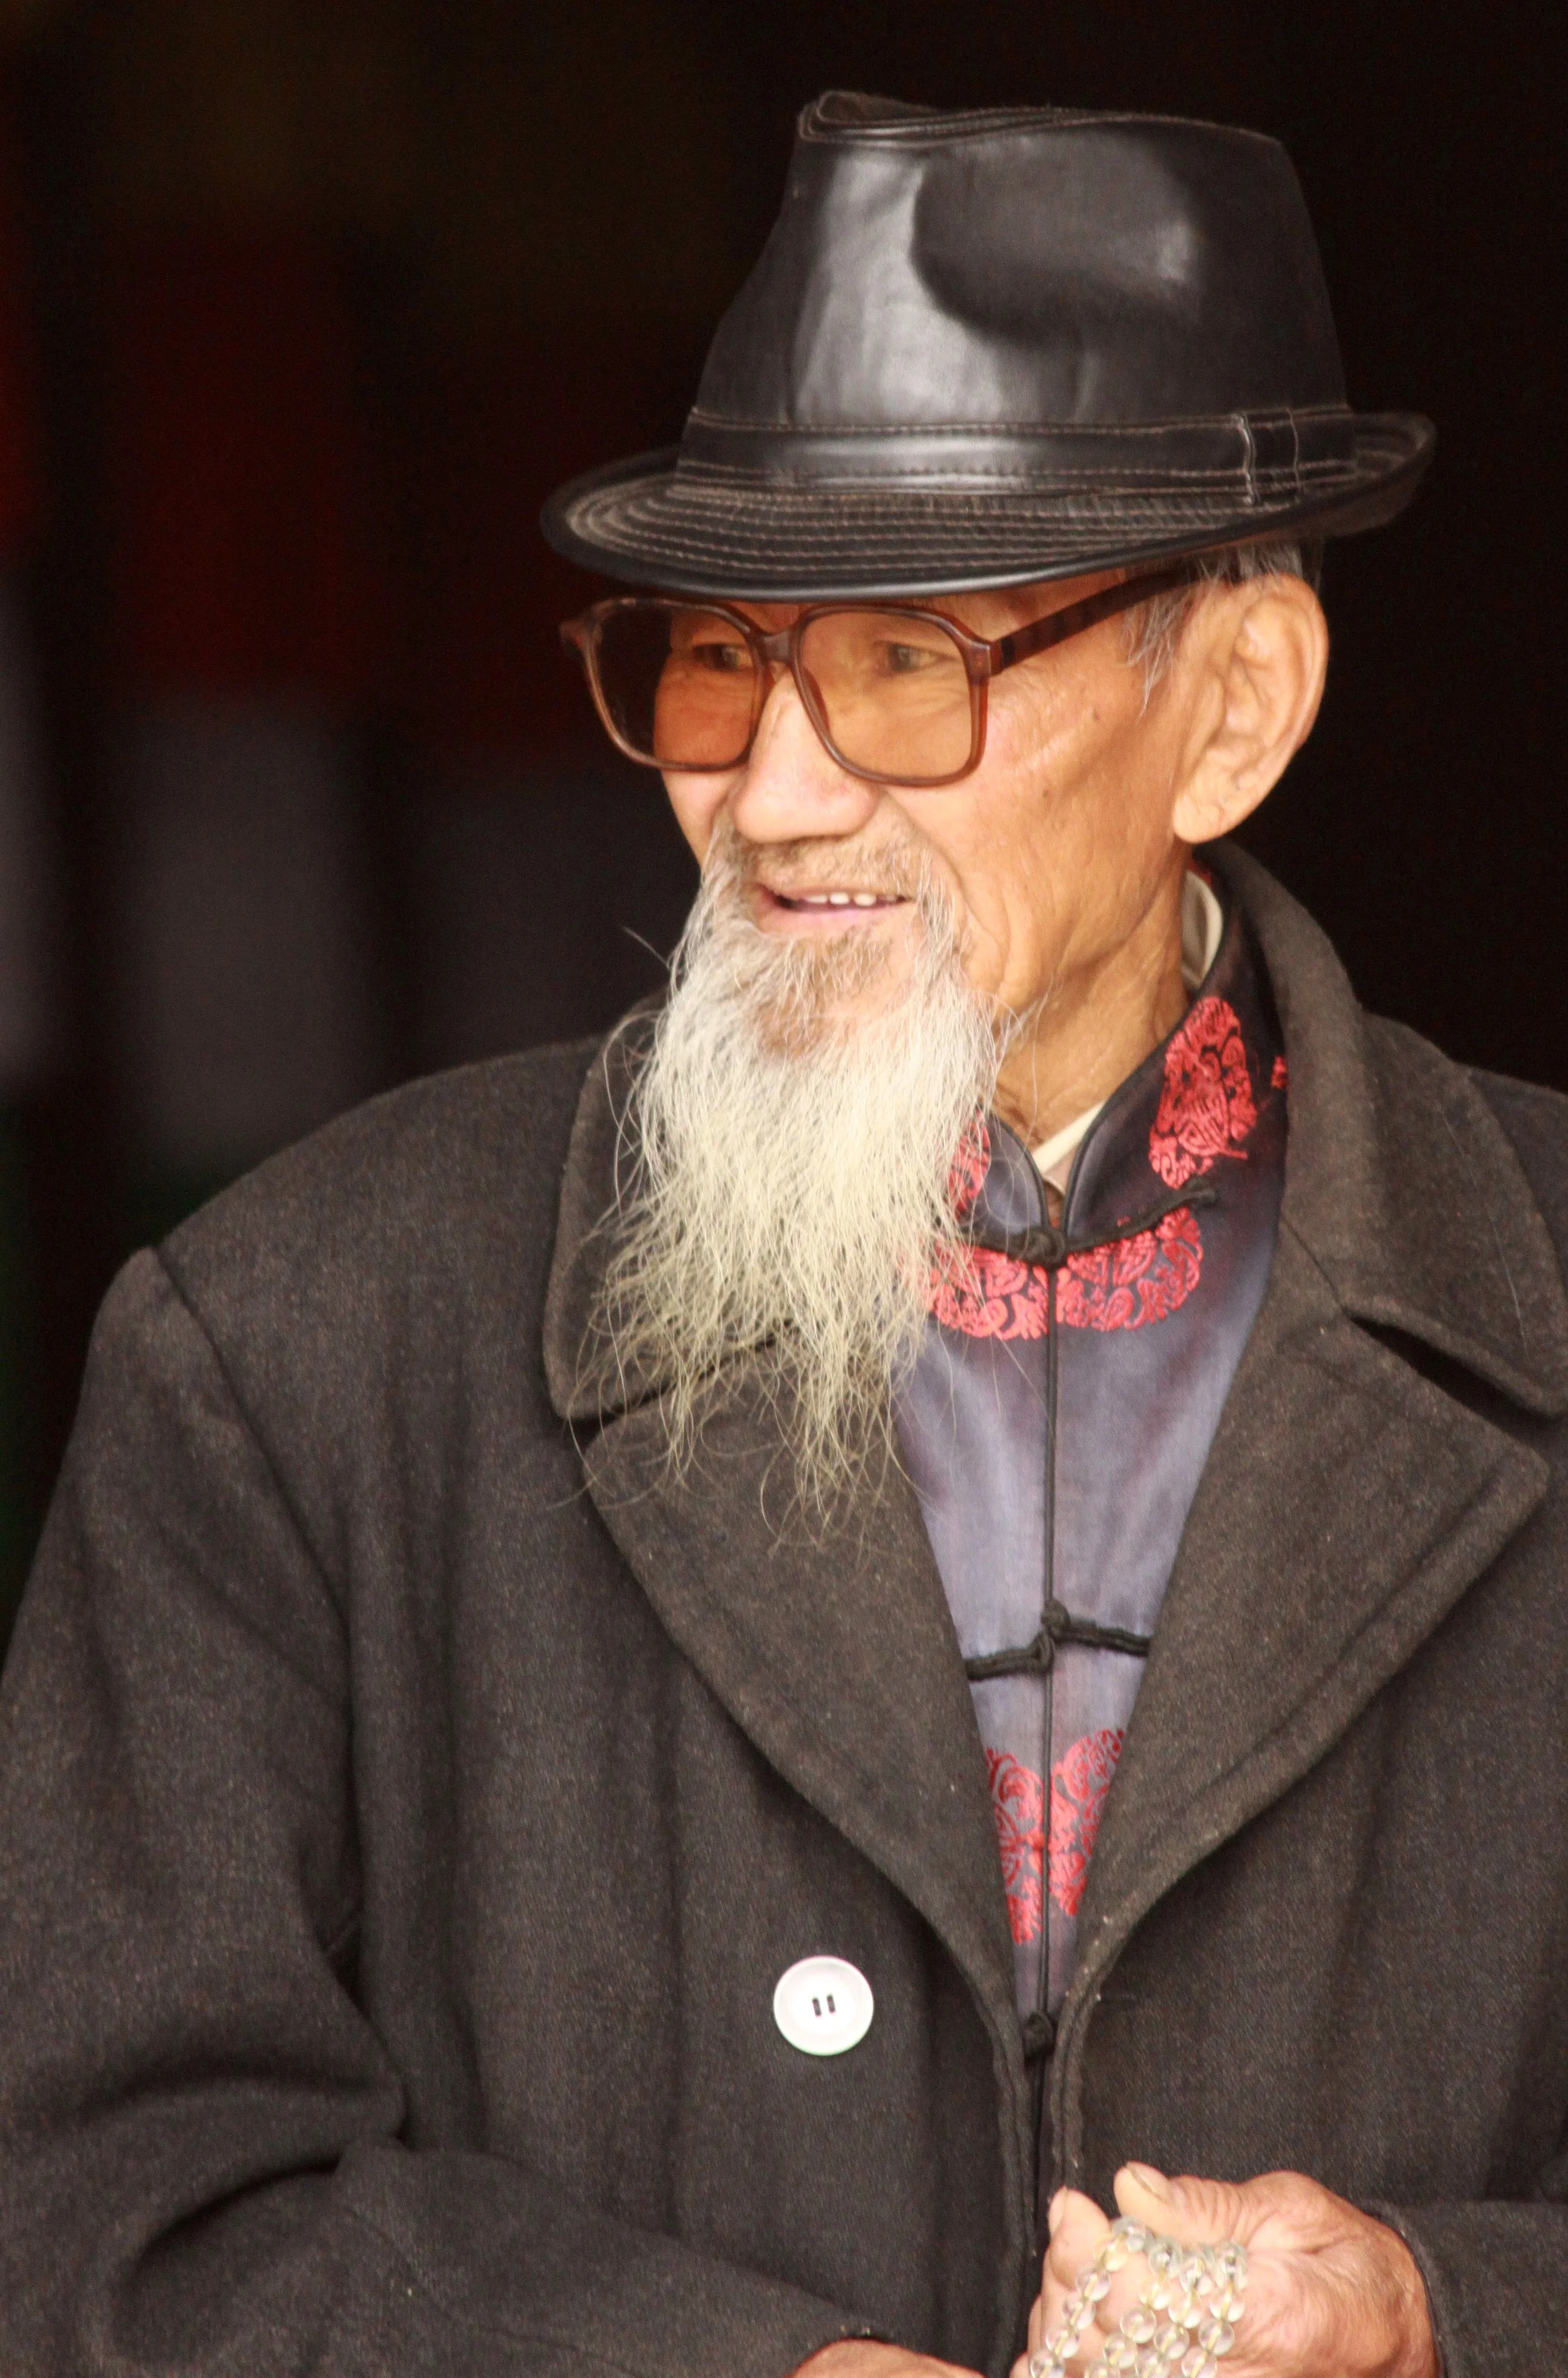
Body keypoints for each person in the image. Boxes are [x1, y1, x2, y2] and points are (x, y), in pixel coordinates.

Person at [1, 88, 1561, 2378]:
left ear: (1228, 709)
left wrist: (1446, 2312)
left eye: (909, 663)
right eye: (717, 659)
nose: (771, 793)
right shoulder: (298, 1345)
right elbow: (87, 2213)